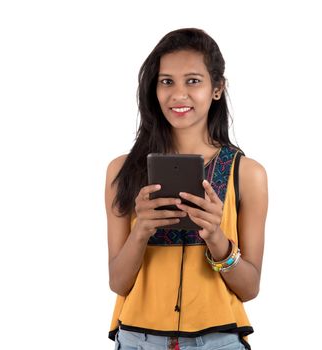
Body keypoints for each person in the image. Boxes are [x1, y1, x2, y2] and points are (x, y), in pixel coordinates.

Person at [105, 28, 268, 350]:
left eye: (193, 81)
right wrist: (141, 232)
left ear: (217, 88)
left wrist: (217, 238)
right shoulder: (122, 171)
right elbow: (118, 282)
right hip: (139, 338)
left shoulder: (247, 174)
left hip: (219, 340)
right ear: (153, 89)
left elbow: (249, 288)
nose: (178, 94)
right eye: (167, 81)